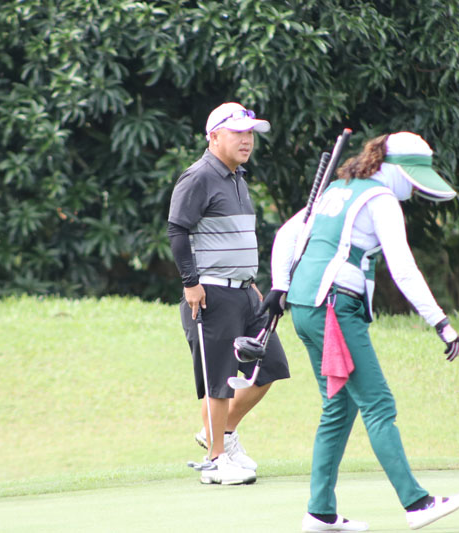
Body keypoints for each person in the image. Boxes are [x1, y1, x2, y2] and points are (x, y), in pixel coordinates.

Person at [260, 132, 459, 531]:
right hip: (334, 308)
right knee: (378, 404)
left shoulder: (339, 188)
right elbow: (403, 268)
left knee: (339, 407)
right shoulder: (381, 199)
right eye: (411, 178)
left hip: (305, 306)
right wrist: (440, 322)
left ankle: (320, 512)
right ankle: (417, 503)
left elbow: (287, 235)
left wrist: (280, 286)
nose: (414, 188)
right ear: (394, 169)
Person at [167, 102, 290, 485]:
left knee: (269, 366)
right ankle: (215, 461)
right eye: (238, 132)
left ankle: (221, 434)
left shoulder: (237, 178)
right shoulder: (199, 176)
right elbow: (177, 231)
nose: (246, 140)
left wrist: (249, 280)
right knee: (219, 380)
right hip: (210, 294)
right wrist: (190, 282)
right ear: (214, 136)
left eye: (249, 133)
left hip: (244, 292)